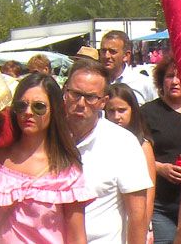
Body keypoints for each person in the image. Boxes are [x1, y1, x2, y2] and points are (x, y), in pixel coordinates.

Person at [0, 73, 91, 244]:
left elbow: (77, 238)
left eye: (38, 107)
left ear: (54, 110)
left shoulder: (66, 171)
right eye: (21, 106)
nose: (28, 112)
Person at [62, 60, 151, 244]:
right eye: (75, 94)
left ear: (103, 102)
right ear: (65, 92)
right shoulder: (49, 139)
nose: (80, 103)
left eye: (90, 97)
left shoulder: (123, 143)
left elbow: (137, 215)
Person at [141, 56, 181, 244]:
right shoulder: (148, 112)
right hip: (161, 206)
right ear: (160, 80)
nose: (175, 81)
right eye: (169, 76)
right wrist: (159, 168)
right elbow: (135, 155)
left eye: (180, 76)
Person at [106, 82, 157, 236]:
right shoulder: (103, 142)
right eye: (111, 111)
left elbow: (148, 194)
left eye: (122, 110)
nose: (116, 117)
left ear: (133, 111)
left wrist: (145, 229)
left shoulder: (143, 145)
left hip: (135, 224)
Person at [100, 31, 157, 105]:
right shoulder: (95, 83)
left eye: (112, 51)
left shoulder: (144, 83)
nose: (106, 56)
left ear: (126, 56)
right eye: (103, 51)